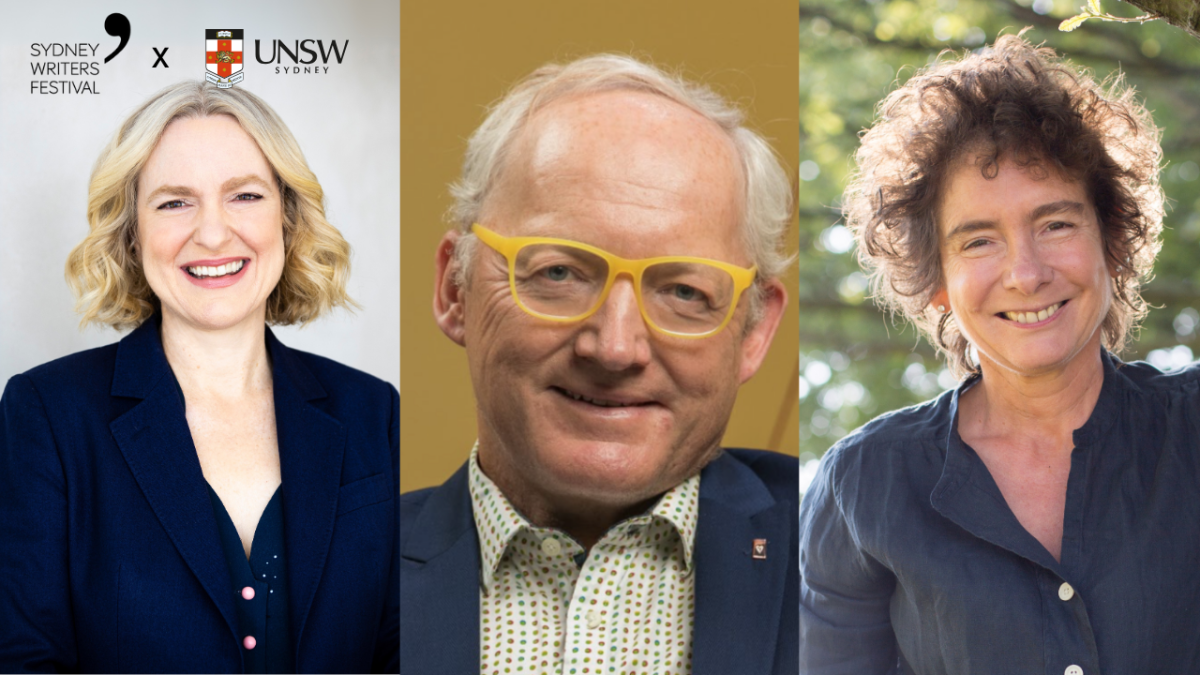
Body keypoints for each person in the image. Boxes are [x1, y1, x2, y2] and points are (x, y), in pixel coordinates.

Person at [797, 34, 1200, 673]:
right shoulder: (864, 487)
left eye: (1056, 224)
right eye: (978, 241)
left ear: (1113, 240)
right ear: (937, 280)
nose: (1027, 272)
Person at [400, 54, 797, 674]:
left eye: (684, 293)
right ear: (456, 288)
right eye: (558, 272)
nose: (614, 349)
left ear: (755, 332)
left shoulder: (842, 542)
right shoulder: (326, 570)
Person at [0, 81, 398, 673]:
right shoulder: (47, 415)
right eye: (173, 202)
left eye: (244, 196)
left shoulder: (374, 412)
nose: (212, 233)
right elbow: (23, 658)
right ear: (132, 235)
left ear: (288, 220)